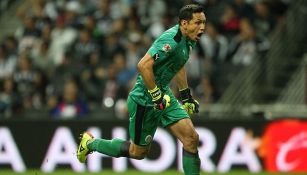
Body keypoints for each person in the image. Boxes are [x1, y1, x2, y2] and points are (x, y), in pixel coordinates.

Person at [77, 4, 206, 175]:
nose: (202, 27)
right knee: (137, 152)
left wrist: (185, 95)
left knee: (191, 139)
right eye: (197, 22)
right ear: (184, 23)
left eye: (204, 22)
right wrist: (156, 95)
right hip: (145, 99)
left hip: (163, 94)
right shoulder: (171, 41)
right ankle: (90, 143)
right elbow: (143, 65)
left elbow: (178, 64)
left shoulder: (189, 39)